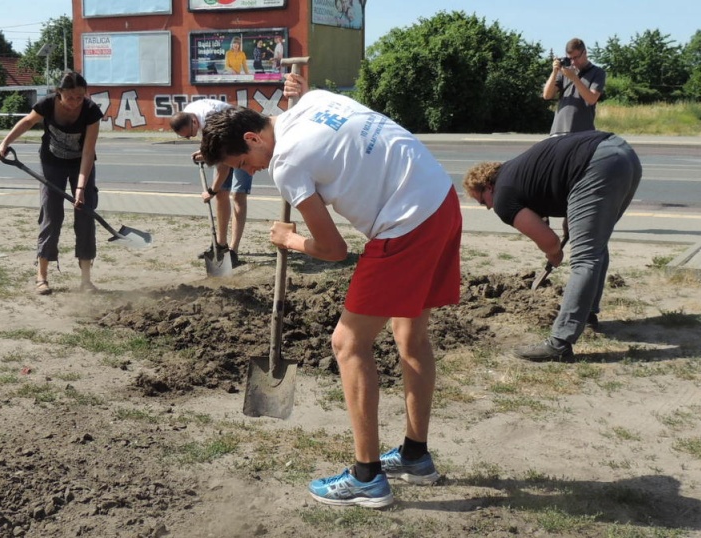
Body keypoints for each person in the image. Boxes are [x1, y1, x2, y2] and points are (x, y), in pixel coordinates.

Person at [200, 75, 462, 508]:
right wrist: (294, 87)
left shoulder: (285, 163)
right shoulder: (312, 101)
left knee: (347, 343)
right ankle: (415, 456)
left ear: (253, 138)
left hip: (405, 224)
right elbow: (303, 102)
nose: (251, 172)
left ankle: (367, 478)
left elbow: (333, 249)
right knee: (410, 335)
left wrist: (289, 240)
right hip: (439, 198)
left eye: (243, 163)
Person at [463, 130, 641, 361]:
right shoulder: (516, 173)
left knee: (585, 257)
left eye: (482, 201)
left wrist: (554, 254)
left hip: (596, 164)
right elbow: (564, 183)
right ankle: (586, 314)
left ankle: (559, 343)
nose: (487, 207)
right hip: (623, 155)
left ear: (488, 186)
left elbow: (549, 241)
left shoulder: (503, 198)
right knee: (595, 245)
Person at [0, 71, 104, 296]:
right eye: (70, 97)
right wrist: (5, 143)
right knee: (51, 217)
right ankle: (42, 277)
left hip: (80, 166)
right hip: (52, 164)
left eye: (80, 97)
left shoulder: (91, 111)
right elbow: (27, 122)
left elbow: (87, 152)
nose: (75, 103)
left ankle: (86, 280)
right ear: (59, 93)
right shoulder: (46, 105)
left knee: (85, 216)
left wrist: (81, 189)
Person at [169, 100, 252, 267]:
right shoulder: (189, 113)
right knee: (222, 195)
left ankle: (233, 251)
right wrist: (205, 151)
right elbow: (211, 144)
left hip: (244, 143)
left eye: (189, 133)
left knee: (237, 195)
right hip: (227, 141)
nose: (190, 137)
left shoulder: (211, 120)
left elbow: (223, 167)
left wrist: (211, 191)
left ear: (194, 121)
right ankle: (220, 245)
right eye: (185, 137)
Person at [543, 38, 606, 136]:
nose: (573, 62)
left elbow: (592, 99)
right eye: (570, 58)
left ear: (584, 53)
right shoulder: (564, 71)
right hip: (558, 129)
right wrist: (555, 72)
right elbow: (547, 95)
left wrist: (574, 78)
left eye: (576, 57)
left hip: (582, 132)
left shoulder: (597, 73)